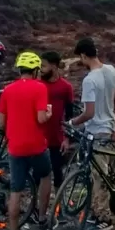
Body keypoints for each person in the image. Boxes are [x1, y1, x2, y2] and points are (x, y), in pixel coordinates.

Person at [0, 49, 53, 230]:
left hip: (16, 147)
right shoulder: (40, 88)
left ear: (20, 69)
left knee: (15, 191)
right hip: (37, 146)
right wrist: (48, 114)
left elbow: (1, 124)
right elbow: (41, 119)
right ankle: (42, 221)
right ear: (36, 70)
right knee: (45, 176)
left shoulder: (7, 90)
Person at [70, 37, 115, 230]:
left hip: (96, 131)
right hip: (109, 128)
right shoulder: (111, 70)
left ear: (84, 55)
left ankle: (105, 219)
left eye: (80, 58)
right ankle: (97, 212)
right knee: (101, 173)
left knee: (99, 176)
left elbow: (89, 113)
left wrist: (72, 122)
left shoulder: (89, 80)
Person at [39, 50, 75, 191]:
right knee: (37, 176)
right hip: (38, 138)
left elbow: (70, 115)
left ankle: (58, 208)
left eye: (44, 66)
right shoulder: (37, 85)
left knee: (58, 173)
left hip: (57, 139)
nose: (41, 70)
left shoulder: (66, 87)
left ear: (54, 66)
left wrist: (67, 139)